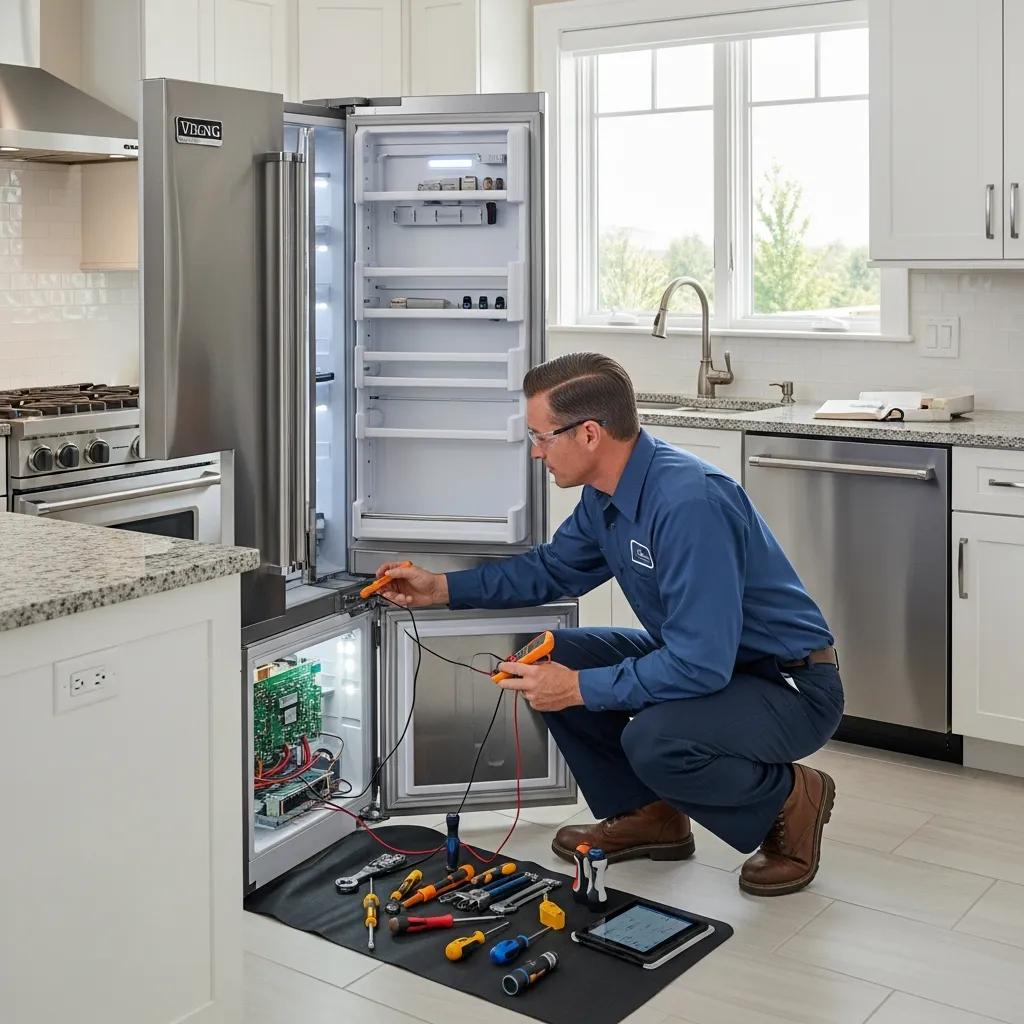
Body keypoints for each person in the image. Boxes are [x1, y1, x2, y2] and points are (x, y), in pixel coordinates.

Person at [375, 352, 843, 896]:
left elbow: (699, 663)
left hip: (787, 686)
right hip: (720, 666)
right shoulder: (607, 497)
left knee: (653, 738)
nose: (535, 452)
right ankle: (650, 816)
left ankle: (791, 796)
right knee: (548, 659)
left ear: (590, 433)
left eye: (543, 437)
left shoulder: (689, 503)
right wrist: (442, 588)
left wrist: (578, 689)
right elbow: (552, 570)